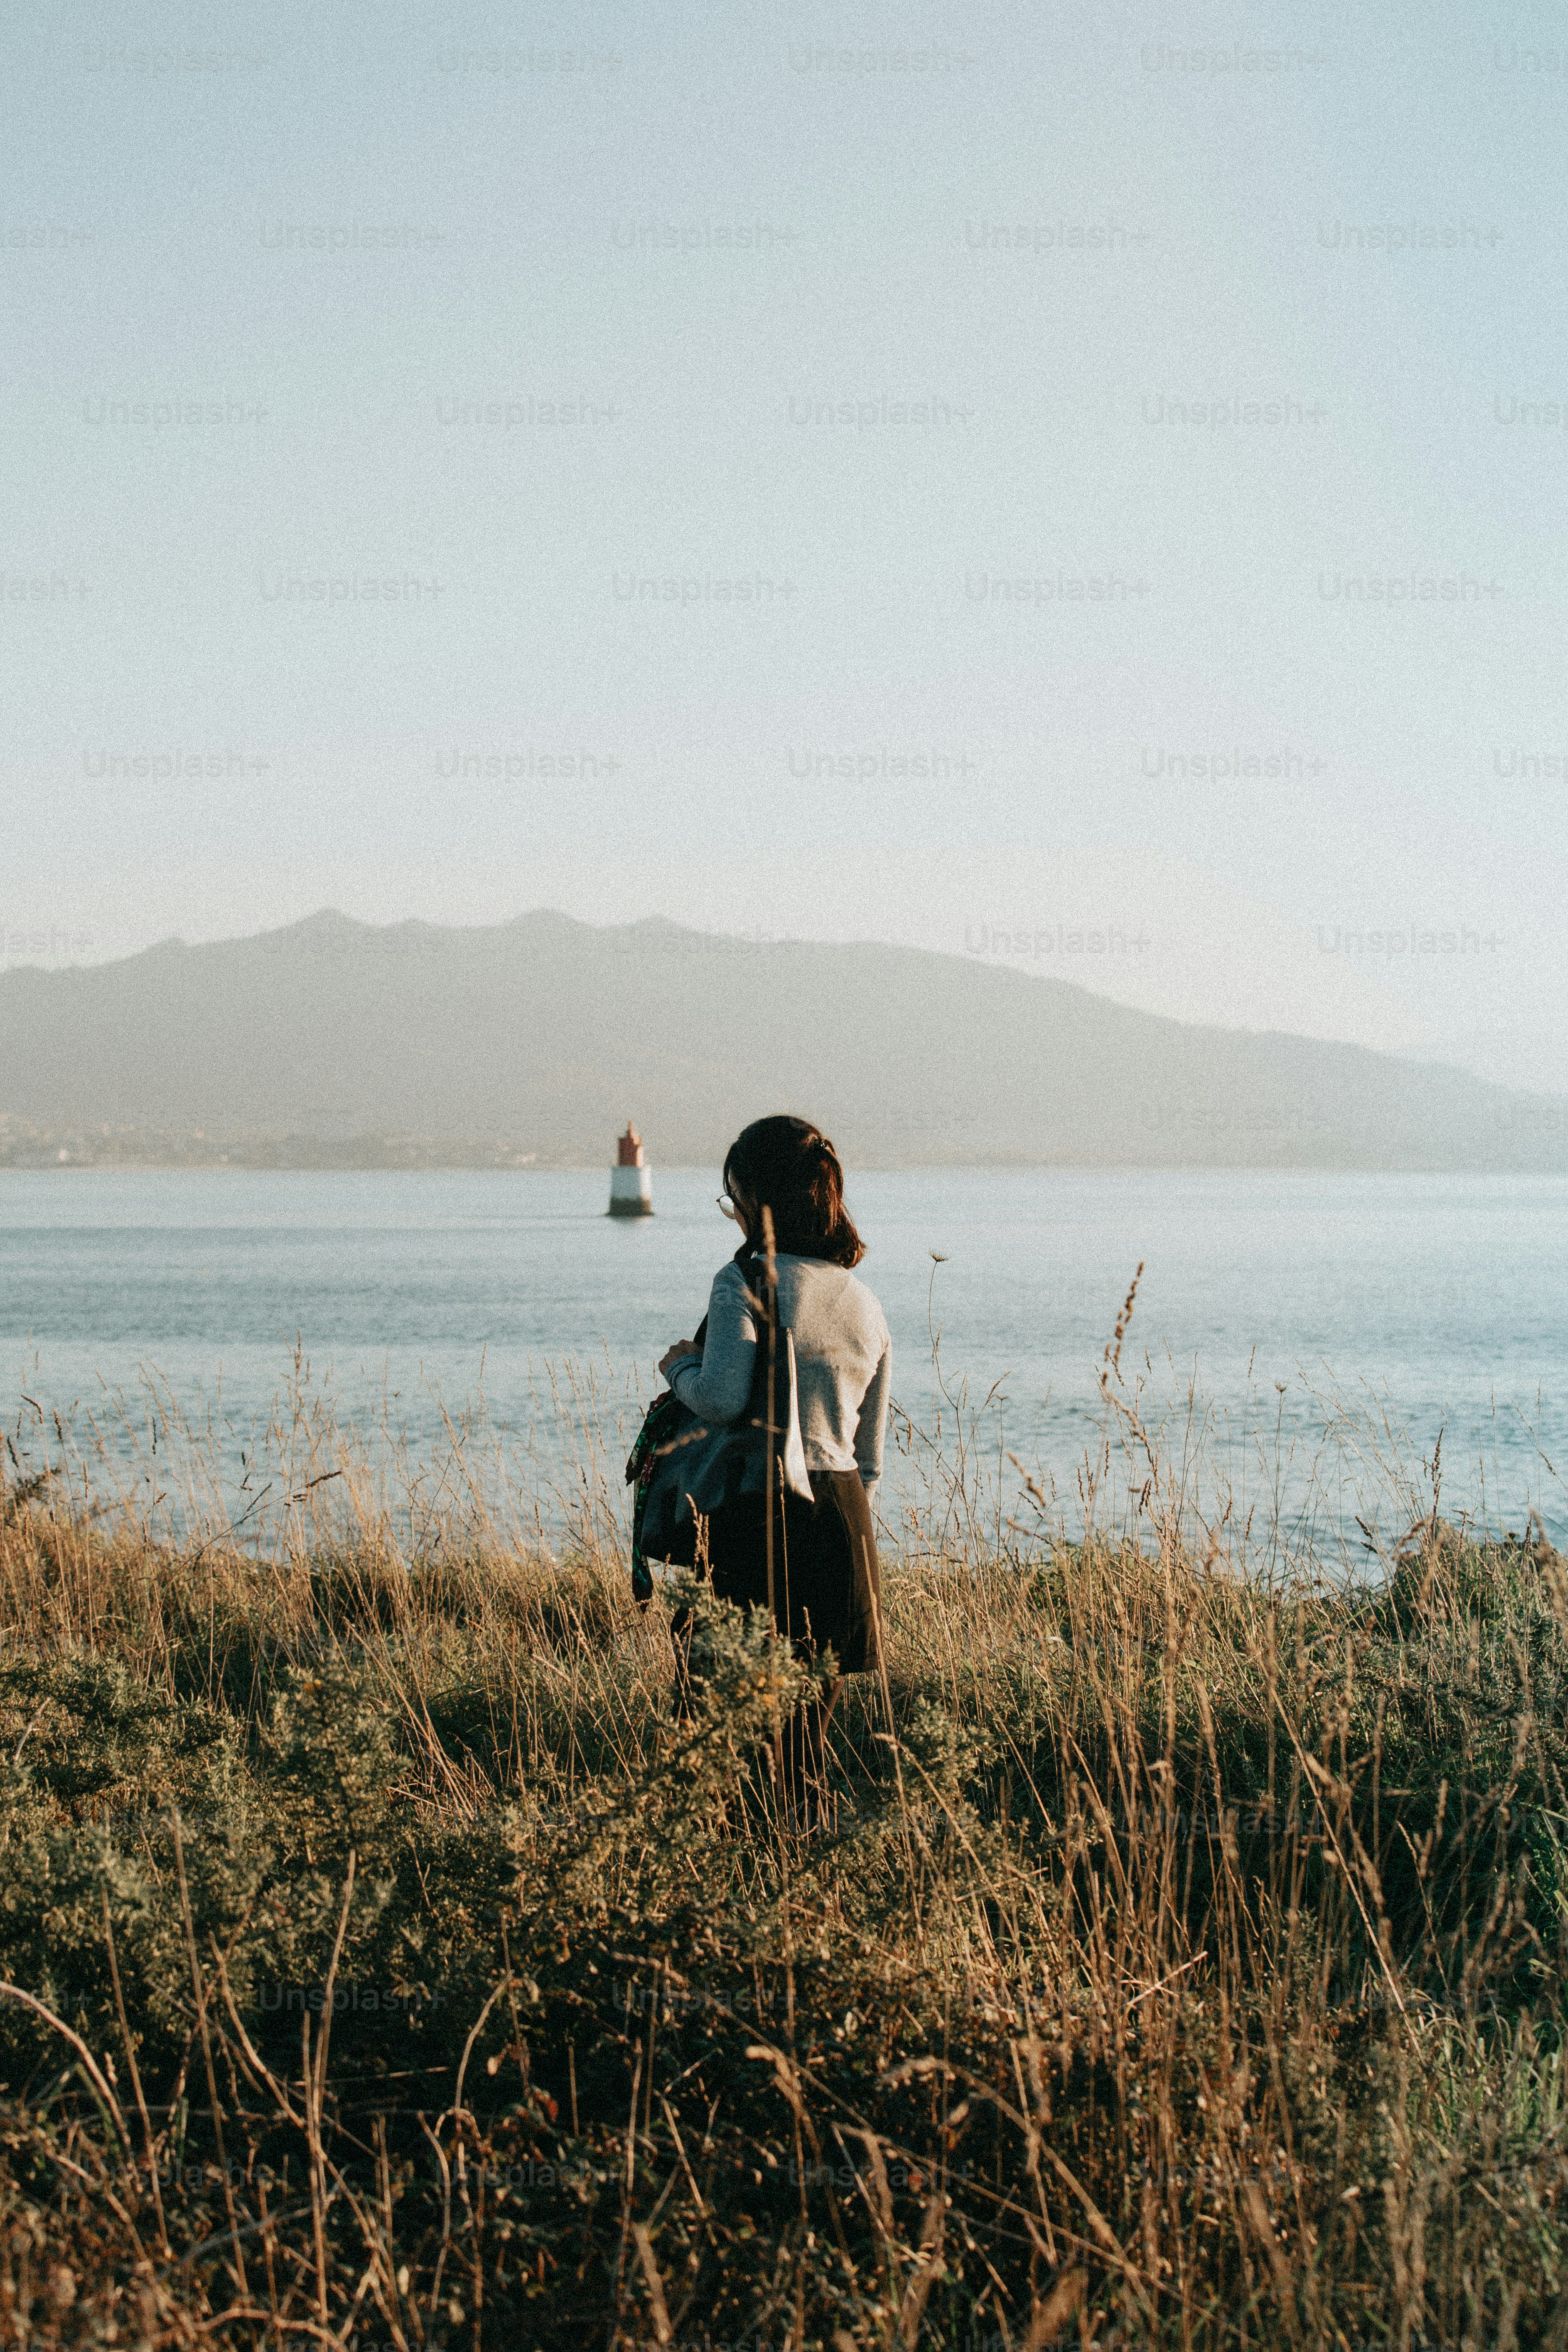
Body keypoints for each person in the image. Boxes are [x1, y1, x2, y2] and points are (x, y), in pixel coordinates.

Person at [657, 1114, 891, 1827]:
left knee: (714, 1727)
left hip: (758, 1516)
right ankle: (806, 1879)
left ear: (753, 1199)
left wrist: (679, 1367)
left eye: (731, 1195)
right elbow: (870, 1454)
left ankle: (720, 1888)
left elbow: (723, 1397)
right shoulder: (863, 1299)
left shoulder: (745, 1281)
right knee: (803, 1747)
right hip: (841, 1521)